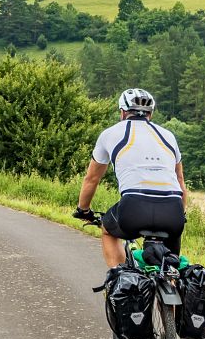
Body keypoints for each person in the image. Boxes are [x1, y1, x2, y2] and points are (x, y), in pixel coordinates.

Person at [74, 88, 187, 268]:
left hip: (134, 208)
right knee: (170, 270)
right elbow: (180, 181)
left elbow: (92, 179)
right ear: (150, 114)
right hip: (173, 211)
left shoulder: (109, 134)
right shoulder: (168, 136)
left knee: (108, 231)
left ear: (122, 112)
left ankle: (120, 279)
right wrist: (182, 213)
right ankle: (172, 286)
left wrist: (83, 210)